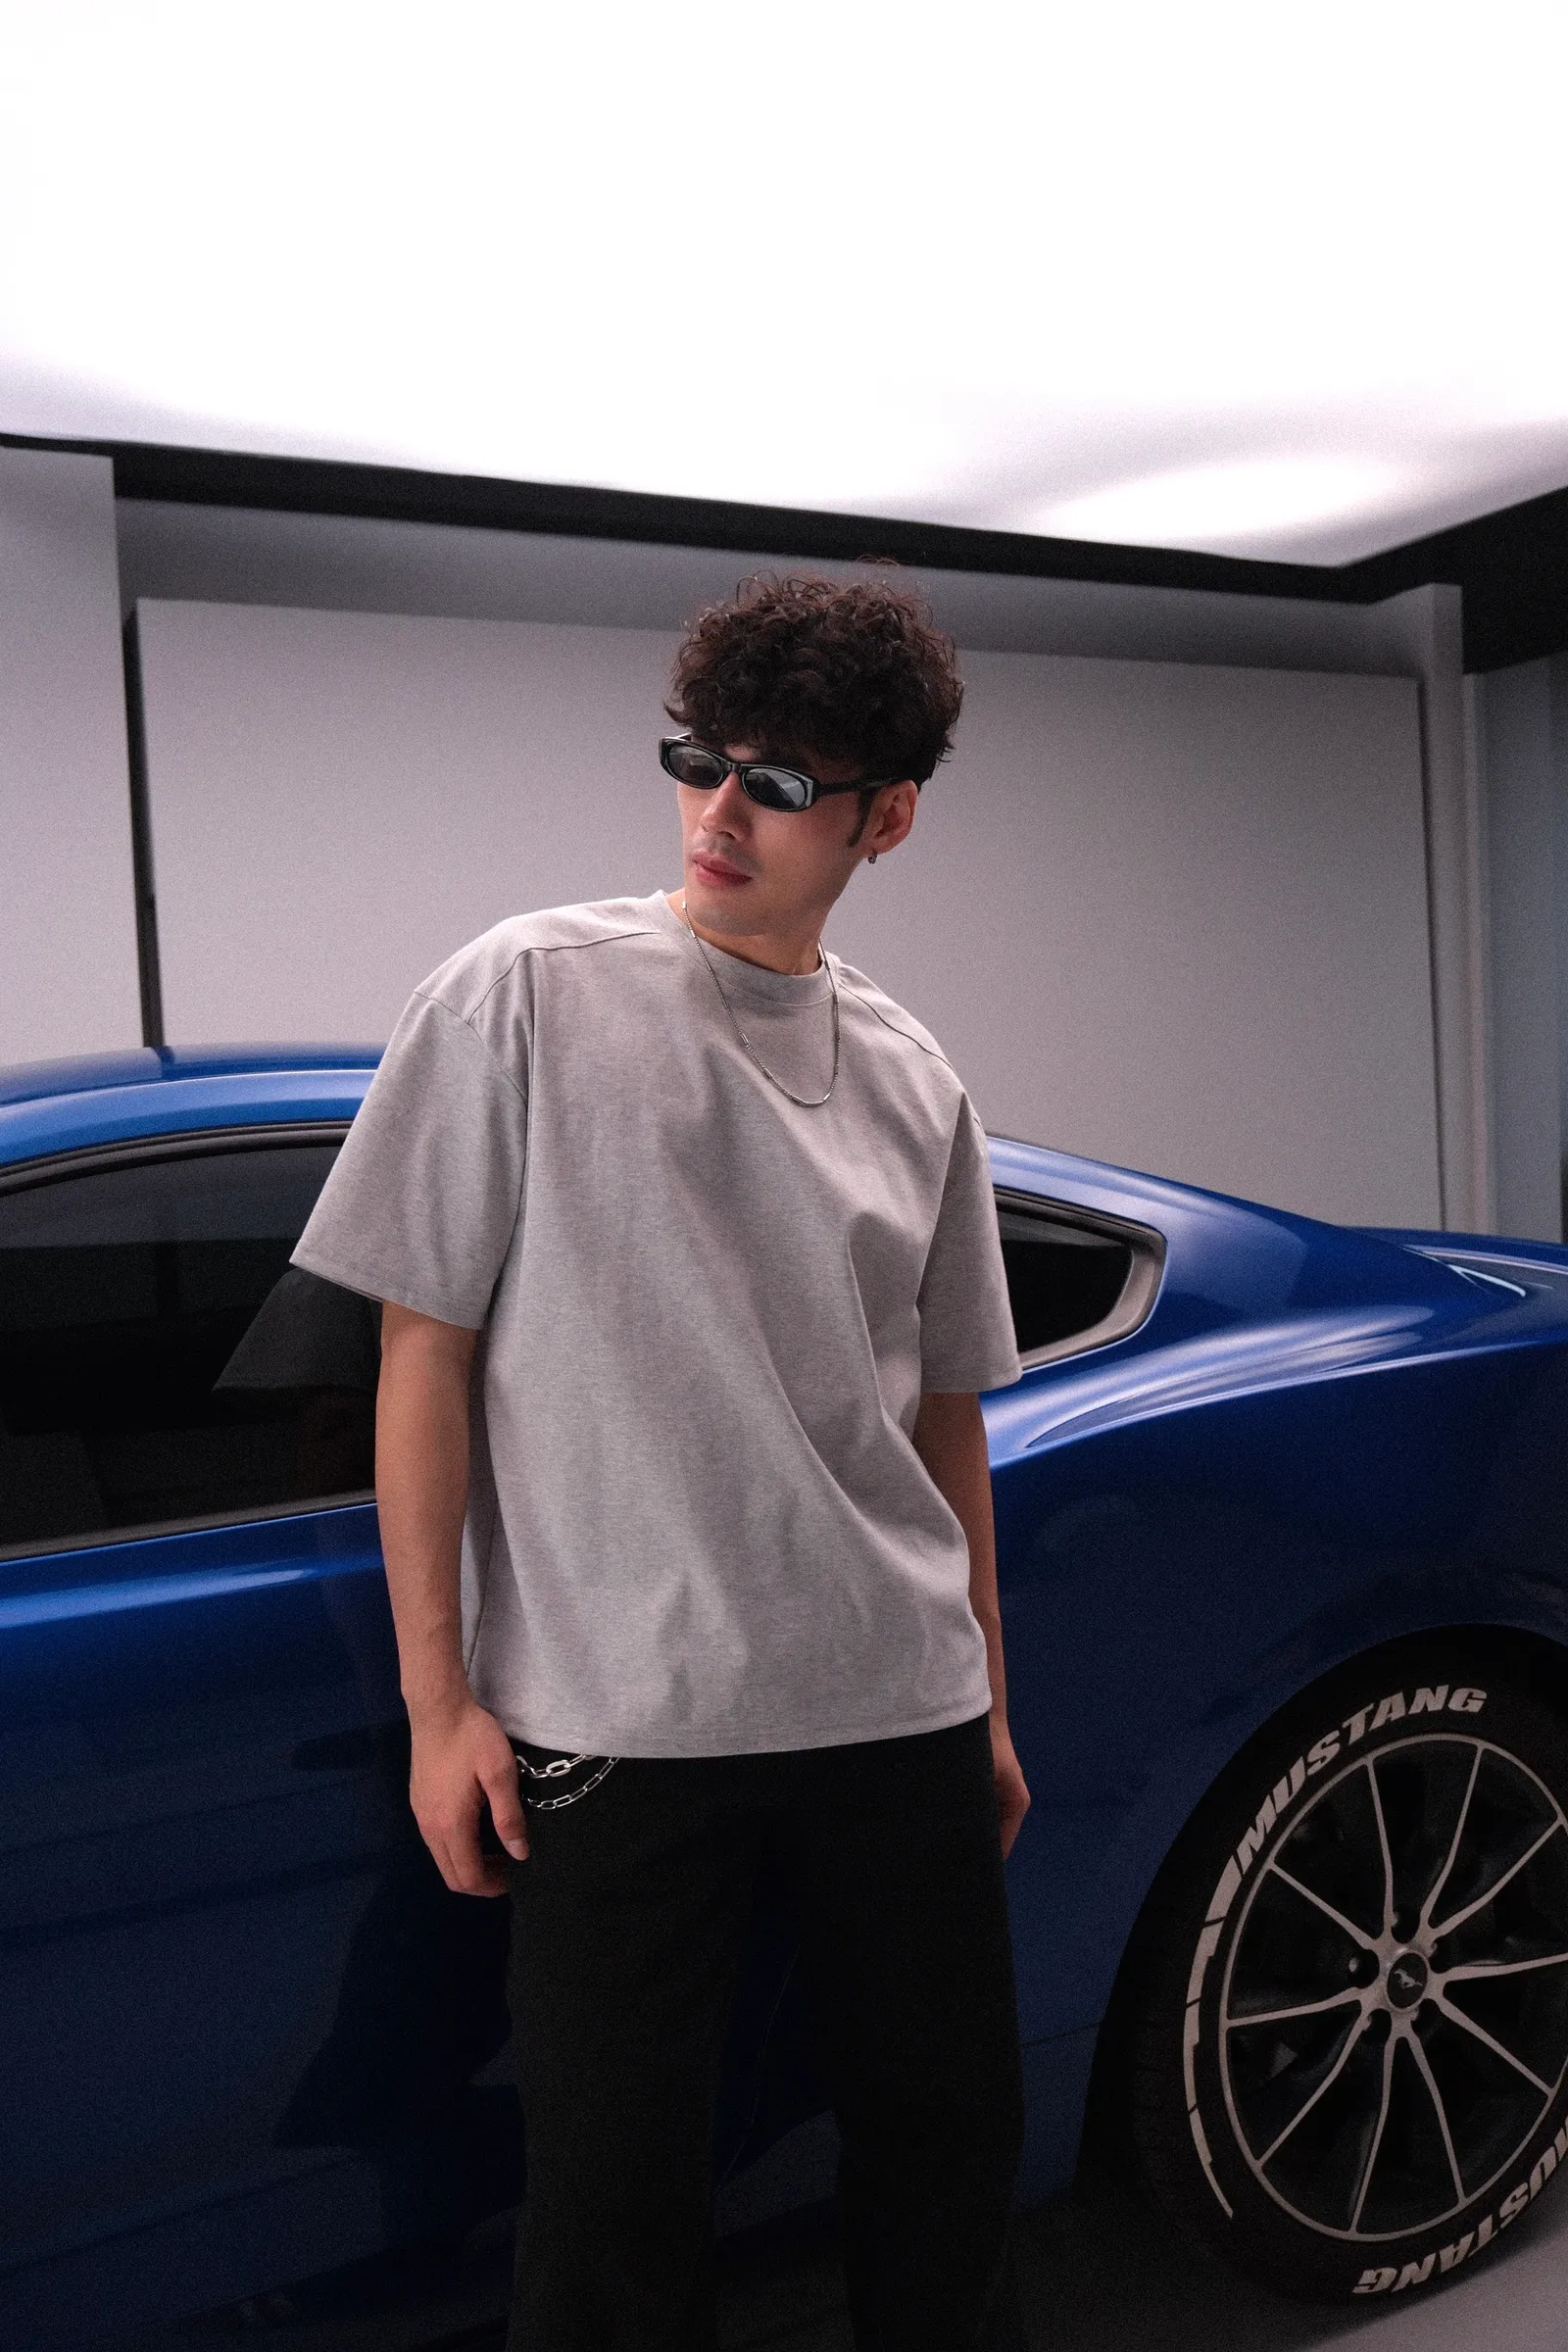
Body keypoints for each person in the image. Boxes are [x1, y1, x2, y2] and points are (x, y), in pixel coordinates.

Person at [290, 570, 1031, 2352]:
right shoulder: (522, 994)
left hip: (899, 1713)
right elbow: (419, 1349)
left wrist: (988, 1706)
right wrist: (441, 1705)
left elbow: (945, 1415)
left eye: (776, 784)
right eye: (698, 760)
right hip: (621, 1728)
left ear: (885, 819)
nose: (717, 812)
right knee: (611, 2218)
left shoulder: (915, 1076)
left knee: (946, 2166)